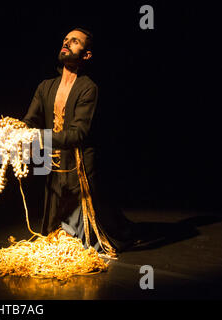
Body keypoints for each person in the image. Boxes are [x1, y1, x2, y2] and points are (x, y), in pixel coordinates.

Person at [22, 27, 136, 253]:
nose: (66, 43)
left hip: (80, 165)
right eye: (65, 40)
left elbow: (78, 134)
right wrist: (16, 130)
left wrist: (36, 137)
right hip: (53, 164)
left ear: (86, 54)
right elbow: (30, 120)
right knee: (50, 235)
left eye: (74, 41)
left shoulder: (88, 88)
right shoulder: (46, 87)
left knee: (82, 240)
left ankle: (118, 230)